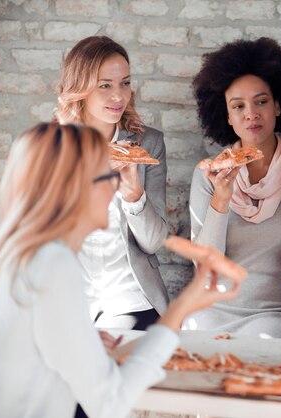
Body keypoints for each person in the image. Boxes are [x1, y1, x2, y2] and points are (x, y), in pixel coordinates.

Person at [0, 123, 240, 418]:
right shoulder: (54, 265)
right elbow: (110, 403)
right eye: (110, 176)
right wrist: (180, 310)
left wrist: (84, 343)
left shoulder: (23, 256)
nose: (116, 187)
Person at [186, 37, 281, 338]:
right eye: (239, 106)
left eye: (261, 101)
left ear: (277, 106)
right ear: (227, 116)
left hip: (277, 314)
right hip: (212, 310)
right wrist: (221, 200)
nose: (251, 114)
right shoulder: (208, 174)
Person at [55, 36, 169, 330]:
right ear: (80, 88)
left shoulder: (148, 144)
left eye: (125, 83)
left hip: (129, 299)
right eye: (105, 85)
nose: (118, 96)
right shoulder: (51, 147)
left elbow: (154, 242)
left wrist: (134, 196)